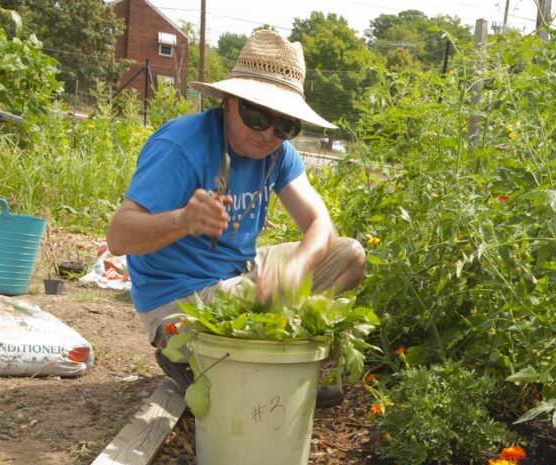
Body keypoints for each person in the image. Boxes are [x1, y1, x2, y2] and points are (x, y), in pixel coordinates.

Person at [105, 29, 365, 405]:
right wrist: (183, 221)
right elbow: (118, 236)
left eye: (286, 125)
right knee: (263, 304)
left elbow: (321, 224)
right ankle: (196, 353)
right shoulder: (181, 145)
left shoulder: (277, 152)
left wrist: (296, 268)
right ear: (229, 100)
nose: (268, 134)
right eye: (256, 116)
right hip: (181, 298)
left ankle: (253, 365)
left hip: (239, 277)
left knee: (350, 256)